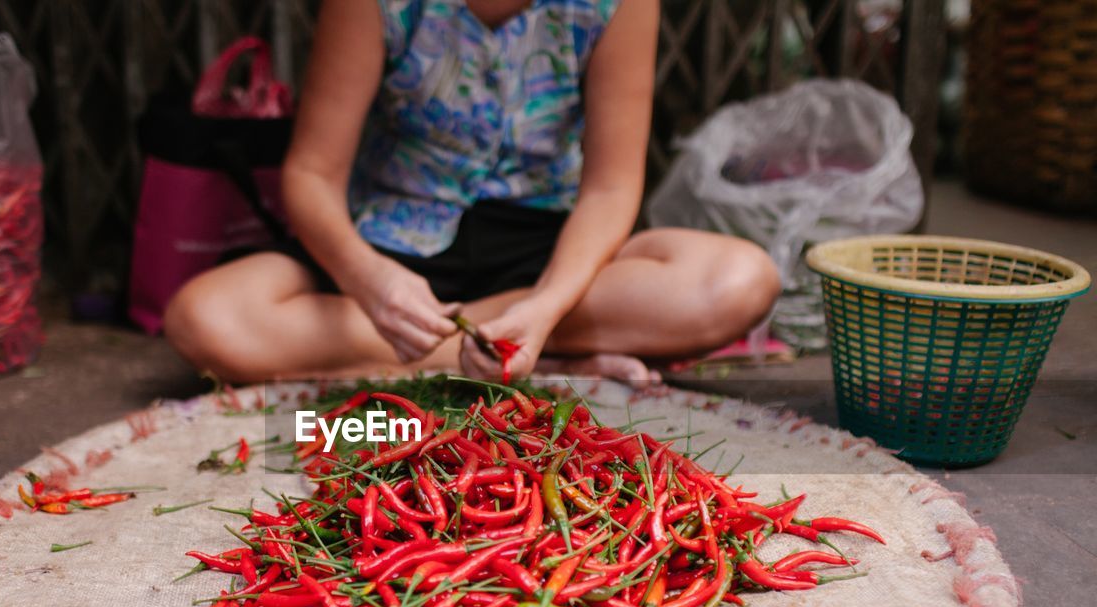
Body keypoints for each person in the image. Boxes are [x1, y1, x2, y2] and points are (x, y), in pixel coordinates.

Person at [165, 0, 779, 383]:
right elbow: (310, 176)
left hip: (543, 256)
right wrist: (372, 283)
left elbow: (611, 188)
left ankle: (516, 341)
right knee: (206, 319)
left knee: (737, 279)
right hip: (392, 256)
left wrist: (544, 308)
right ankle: (531, 359)